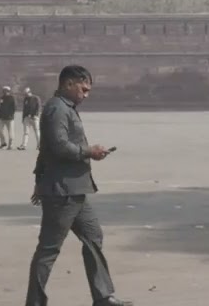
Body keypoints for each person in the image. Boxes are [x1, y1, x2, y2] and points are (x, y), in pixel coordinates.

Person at [26, 64, 133, 306]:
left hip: (75, 190)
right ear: (68, 84)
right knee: (49, 250)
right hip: (63, 192)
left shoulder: (66, 108)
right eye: (83, 89)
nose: (86, 95)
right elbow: (57, 146)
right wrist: (89, 151)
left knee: (93, 237)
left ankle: (103, 296)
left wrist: (38, 180)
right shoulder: (57, 109)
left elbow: (45, 152)